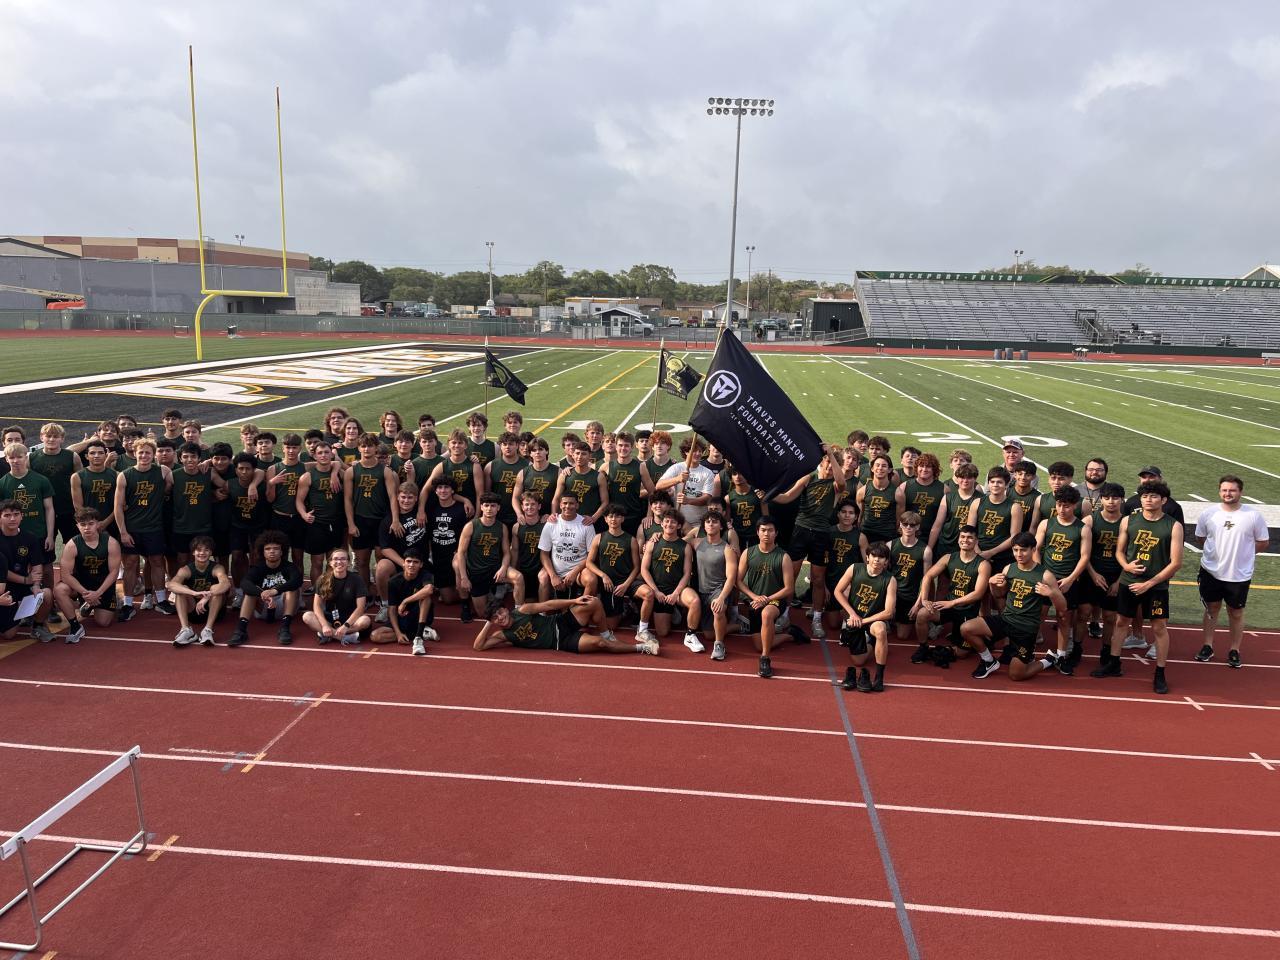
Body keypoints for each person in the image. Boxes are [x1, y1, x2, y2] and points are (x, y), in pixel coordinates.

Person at [1091, 478, 1184, 694]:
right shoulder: (1128, 521)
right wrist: (1126, 567)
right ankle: (1114, 663)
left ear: (1163, 500)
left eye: (1153, 496)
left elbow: (1176, 563)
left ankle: (1160, 673)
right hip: (1129, 582)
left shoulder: (1173, 525)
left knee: (1159, 627)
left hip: (1156, 586)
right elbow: (1119, 551)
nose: (1148, 500)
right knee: (1121, 621)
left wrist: (1149, 583)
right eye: (1144, 496)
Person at [961, 533, 1067, 682]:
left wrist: (1051, 593)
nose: (1019, 554)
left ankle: (1049, 659)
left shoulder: (1045, 575)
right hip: (1007, 619)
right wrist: (992, 584)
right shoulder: (1008, 569)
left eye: (1023, 550)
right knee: (966, 628)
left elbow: (1063, 607)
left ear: (1033, 549)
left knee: (1016, 675)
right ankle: (989, 661)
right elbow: (999, 595)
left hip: (1026, 629)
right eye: (1015, 550)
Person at [1194, 474, 1270, 669]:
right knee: (1211, 609)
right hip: (1211, 571)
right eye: (1224, 490)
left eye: (1232, 490)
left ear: (1240, 492)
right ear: (1219, 491)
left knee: (1236, 612)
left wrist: (1243, 554)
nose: (1228, 493)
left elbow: (1263, 542)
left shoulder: (1253, 515)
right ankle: (1207, 646)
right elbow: (1201, 538)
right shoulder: (1209, 513)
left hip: (1239, 574)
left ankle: (1234, 649)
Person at [772, 443, 845, 640]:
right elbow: (787, 497)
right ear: (821, 462)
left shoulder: (836, 484)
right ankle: (785, 614)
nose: (829, 466)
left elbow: (842, 482)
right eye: (826, 462)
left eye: (832, 464)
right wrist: (768, 495)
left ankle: (817, 618)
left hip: (821, 533)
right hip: (801, 530)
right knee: (792, 575)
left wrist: (832, 454)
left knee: (818, 579)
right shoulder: (809, 478)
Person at [473, 595, 659, 656]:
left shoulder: (523, 610)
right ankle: (643, 647)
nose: (500, 618)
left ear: (506, 609)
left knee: (593, 602)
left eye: (500, 612)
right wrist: (488, 624)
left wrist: (574, 601)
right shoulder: (503, 636)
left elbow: (549, 605)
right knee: (600, 644)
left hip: (559, 622)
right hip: (561, 642)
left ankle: (607, 633)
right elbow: (478, 646)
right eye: (495, 618)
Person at [113, 439, 175, 618]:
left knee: (157, 561)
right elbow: (118, 507)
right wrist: (123, 532)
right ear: (135, 453)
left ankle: (161, 601)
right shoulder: (124, 475)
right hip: (132, 529)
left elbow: (172, 485)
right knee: (130, 564)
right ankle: (128, 604)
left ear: (154, 454)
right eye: (141, 452)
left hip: (154, 528)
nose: (144, 456)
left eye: (148, 452)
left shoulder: (163, 471)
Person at [1034, 484, 1093, 672]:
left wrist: (1071, 579)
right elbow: (1036, 549)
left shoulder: (1082, 528)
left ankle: (1061, 655)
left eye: (1066, 506)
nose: (1062, 509)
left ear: (1074, 505)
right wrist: (1040, 573)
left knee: (1064, 618)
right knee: (1038, 614)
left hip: (1067, 580)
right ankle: (1028, 650)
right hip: (1046, 578)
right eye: (1059, 505)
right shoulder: (1046, 523)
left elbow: (1085, 557)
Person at [912, 525, 990, 660]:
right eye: (963, 537)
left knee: (961, 654)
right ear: (958, 539)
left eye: (970, 537)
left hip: (967, 611)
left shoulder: (983, 564)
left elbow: (978, 593)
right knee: (922, 614)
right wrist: (924, 599)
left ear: (976, 541)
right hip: (948, 606)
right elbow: (928, 576)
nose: (965, 540)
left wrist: (952, 602)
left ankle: (972, 637)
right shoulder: (948, 557)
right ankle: (923, 647)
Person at [736, 517, 797, 679]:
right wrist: (754, 597)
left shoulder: (783, 556)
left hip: (775, 600)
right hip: (755, 600)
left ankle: (765, 659)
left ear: (776, 533)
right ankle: (790, 635)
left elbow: (789, 588)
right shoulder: (748, 553)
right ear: (757, 532)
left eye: (770, 530)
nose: (766, 534)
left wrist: (767, 599)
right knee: (759, 644)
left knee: (767, 614)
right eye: (763, 530)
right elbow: (738, 581)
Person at [832, 541, 896, 692]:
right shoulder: (854, 568)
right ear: (867, 557)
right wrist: (853, 614)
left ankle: (879, 678)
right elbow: (837, 591)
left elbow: (888, 612)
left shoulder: (890, 580)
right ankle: (873, 644)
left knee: (880, 630)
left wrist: (863, 621)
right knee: (858, 662)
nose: (876, 560)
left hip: (873, 619)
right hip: (855, 618)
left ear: (886, 561)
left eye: (881, 557)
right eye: (873, 556)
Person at [52, 507, 121, 643]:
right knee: (59, 590)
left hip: (102, 585)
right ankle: (75, 625)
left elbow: (114, 572)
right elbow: (66, 575)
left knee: (103, 622)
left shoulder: (111, 543)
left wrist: (98, 593)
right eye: (83, 524)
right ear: (77, 525)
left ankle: (105, 601)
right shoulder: (72, 545)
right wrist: (86, 593)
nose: (87, 528)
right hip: (80, 586)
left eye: (91, 524)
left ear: (98, 524)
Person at [637, 510, 703, 651]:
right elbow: (644, 570)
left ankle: (690, 635)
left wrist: (675, 593)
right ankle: (674, 610)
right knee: (663, 632)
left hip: (677, 590)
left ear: (679, 526)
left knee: (695, 601)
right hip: (659, 590)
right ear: (661, 523)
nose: (669, 524)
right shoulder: (652, 543)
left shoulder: (685, 546)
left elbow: (687, 573)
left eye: (673, 522)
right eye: (666, 521)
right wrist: (656, 591)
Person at [345, 432, 401, 590]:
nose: (366, 449)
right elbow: (347, 499)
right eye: (363, 446)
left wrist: (395, 520)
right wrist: (351, 523)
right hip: (360, 520)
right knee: (362, 561)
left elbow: (393, 497)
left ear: (376, 448)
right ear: (358, 448)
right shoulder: (351, 471)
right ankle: (366, 594)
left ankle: (382, 593)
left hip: (381, 521)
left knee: (381, 559)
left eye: (370, 446)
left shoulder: (385, 471)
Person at [231, 531, 302, 647]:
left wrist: (275, 591)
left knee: (292, 590)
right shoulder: (257, 568)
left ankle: (285, 628)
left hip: (284, 606)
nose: (272, 551)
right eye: (268, 549)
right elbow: (245, 583)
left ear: (282, 551)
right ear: (262, 552)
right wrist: (262, 593)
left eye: (276, 548)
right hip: (263, 605)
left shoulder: (289, 567)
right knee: (249, 593)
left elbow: (297, 580)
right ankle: (241, 630)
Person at [0, 443, 56, 589]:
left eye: (19, 457)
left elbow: (49, 509)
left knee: (47, 569)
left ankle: (49, 600)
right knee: (15, 568)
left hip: (39, 532)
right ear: (6, 459)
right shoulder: (2, 483)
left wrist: (50, 535)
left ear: (26, 457)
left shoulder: (41, 480)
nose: (15, 461)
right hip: (15, 536)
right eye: (12, 457)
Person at [0, 499, 55, 642]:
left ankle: (37, 626)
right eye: (7, 515)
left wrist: (36, 585)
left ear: (22, 516)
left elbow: (37, 566)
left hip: (24, 586)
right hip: (3, 588)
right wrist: (25, 580)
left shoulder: (30, 538)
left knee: (46, 594)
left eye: (16, 514)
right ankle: (20, 614)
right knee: (9, 635)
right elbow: (2, 571)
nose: (12, 519)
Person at [687, 509, 738, 661]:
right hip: (701, 591)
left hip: (718, 590)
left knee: (718, 609)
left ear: (721, 526)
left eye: (715, 522)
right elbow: (673, 539)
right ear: (703, 525)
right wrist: (656, 536)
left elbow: (731, 578)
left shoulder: (727, 549)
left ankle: (719, 645)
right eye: (708, 522)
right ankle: (739, 626)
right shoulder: (697, 543)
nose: (710, 524)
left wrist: (721, 598)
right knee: (708, 634)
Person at [583, 504, 643, 633]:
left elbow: (637, 567)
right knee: (611, 626)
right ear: (605, 519)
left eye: (617, 516)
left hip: (624, 581)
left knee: (646, 593)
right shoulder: (598, 537)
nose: (613, 519)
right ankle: (621, 608)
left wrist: (626, 584)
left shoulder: (631, 540)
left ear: (623, 519)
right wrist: (603, 576)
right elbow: (589, 562)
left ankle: (629, 606)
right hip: (607, 583)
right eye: (610, 516)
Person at [374, 483, 428, 623]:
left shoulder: (422, 513)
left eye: (410, 497)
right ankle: (385, 605)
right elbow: (385, 548)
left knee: (442, 597)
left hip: (422, 563)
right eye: (403, 497)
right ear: (397, 497)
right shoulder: (388, 520)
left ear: (416, 499)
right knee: (381, 567)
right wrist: (403, 563)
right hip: (401, 562)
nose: (406, 501)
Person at [295, 440, 344, 588]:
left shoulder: (340, 473)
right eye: (320, 453)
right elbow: (299, 501)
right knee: (317, 561)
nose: (323, 455)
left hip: (336, 522)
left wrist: (334, 473)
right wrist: (304, 514)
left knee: (333, 560)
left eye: (326, 452)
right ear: (314, 456)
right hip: (317, 523)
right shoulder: (307, 476)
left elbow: (339, 465)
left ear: (331, 454)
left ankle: (330, 589)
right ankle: (317, 590)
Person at [166, 535, 230, 647]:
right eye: (199, 550)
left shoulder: (217, 568)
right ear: (193, 552)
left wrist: (207, 596)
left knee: (216, 589)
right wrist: (194, 593)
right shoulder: (186, 569)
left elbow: (226, 584)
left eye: (206, 550)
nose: (202, 553)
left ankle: (207, 630)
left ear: (211, 552)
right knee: (182, 589)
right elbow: (171, 585)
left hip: (214, 610)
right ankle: (186, 630)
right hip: (194, 611)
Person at [455, 493, 510, 624]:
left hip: (495, 569)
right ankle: (483, 597)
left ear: (498, 508)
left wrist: (503, 568)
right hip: (477, 571)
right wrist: (464, 578)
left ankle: (518, 609)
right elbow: (461, 553)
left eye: (493, 506)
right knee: (483, 614)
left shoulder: (502, 527)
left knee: (518, 578)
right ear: (481, 507)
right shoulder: (471, 526)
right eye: (486, 505)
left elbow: (507, 553)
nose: (489, 509)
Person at [29, 423, 82, 558]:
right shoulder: (32, 458)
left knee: (74, 547)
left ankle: (70, 571)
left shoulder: (72, 456)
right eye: (48, 436)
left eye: (55, 436)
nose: (51, 439)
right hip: (42, 511)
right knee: (44, 549)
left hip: (68, 509)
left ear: (62, 439)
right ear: (41, 437)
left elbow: (81, 482)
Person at [370, 549, 436, 654]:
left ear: (421, 565)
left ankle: (419, 637)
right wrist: (398, 633)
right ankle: (420, 633)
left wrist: (405, 601)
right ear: (404, 563)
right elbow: (392, 609)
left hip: (419, 615)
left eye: (415, 562)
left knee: (425, 597)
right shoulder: (394, 581)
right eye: (408, 561)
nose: (411, 565)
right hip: (402, 617)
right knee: (375, 636)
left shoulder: (425, 575)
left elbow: (429, 589)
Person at [537, 489, 595, 600]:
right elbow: (544, 554)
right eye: (565, 503)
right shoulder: (551, 523)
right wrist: (553, 576)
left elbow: (590, 556)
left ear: (577, 505)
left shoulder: (586, 524)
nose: (567, 506)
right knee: (543, 576)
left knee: (591, 579)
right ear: (560, 505)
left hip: (579, 570)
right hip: (556, 569)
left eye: (571, 503)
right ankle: (543, 610)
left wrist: (574, 572)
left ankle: (581, 609)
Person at [303, 548, 368, 646]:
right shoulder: (323, 579)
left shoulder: (357, 579)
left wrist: (346, 626)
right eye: (336, 559)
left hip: (350, 620)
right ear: (330, 562)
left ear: (348, 563)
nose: (339, 562)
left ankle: (328, 635)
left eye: (343, 559)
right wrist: (325, 625)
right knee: (307, 616)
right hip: (330, 618)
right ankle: (343, 637)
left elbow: (360, 608)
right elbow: (317, 606)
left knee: (365, 620)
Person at [888, 511, 932, 648]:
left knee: (902, 636)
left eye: (912, 525)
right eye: (905, 524)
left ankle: (897, 619)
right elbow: (882, 575)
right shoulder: (890, 545)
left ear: (917, 527)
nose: (908, 527)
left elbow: (926, 580)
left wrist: (917, 604)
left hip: (910, 596)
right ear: (900, 525)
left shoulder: (925, 550)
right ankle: (890, 617)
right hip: (892, 593)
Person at [265, 434, 307, 570]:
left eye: (294, 447)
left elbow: (333, 463)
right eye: (288, 447)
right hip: (279, 517)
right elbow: (270, 499)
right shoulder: (273, 469)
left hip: (298, 518)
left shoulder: (306, 467)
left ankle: (298, 583)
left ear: (300, 448)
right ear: (283, 448)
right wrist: (271, 483)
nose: (291, 451)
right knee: (279, 557)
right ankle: (280, 583)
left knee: (298, 557)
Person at [655, 437, 716, 529]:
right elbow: (659, 486)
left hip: (699, 523)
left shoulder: (707, 473)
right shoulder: (677, 468)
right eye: (694, 451)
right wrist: (678, 479)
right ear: (686, 452)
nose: (698, 454)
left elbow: (707, 499)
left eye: (700, 451)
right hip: (679, 522)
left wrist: (688, 501)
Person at [426, 476, 469, 606]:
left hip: (457, 554)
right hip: (439, 558)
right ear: (435, 491)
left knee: (458, 568)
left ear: (452, 491)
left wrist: (461, 551)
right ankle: (469, 593)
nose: (443, 490)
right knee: (447, 600)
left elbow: (468, 535)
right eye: (440, 487)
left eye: (446, 487)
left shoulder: (462, 509)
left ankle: (470, 597)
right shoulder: (431, 508)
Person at [507, 492, 546, 606]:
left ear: (539, 506)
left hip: (541, 568)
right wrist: (513, 568)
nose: (530, 507)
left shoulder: (547, 524)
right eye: (527, 504)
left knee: (540, 600)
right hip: (525, 568)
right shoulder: (516, 527)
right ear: (522, 507)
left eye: (533, 504)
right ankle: (518, 612)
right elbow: (514, 550)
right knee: (528, 603)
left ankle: (543, 613)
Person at [856, 454, 897, 555]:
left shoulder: (898, 493)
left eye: (884, 466)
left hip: (887, 535)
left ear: (890, 470)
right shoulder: (862, 491)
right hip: (867, 533)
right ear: (872, 468)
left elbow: (898, 520)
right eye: (877, 465)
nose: (880, 468)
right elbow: (859, 516)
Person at [511, 437, 558, 520]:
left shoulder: (558, 472)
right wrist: (519, 514)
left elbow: (560, 498)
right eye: (534, 450)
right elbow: (515, 497)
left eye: (540, 449)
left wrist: (552, 514)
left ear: (547, 451)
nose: (537, 452)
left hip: (551, 519)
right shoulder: (523, 473)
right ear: (530, 453)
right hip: (529, 519)